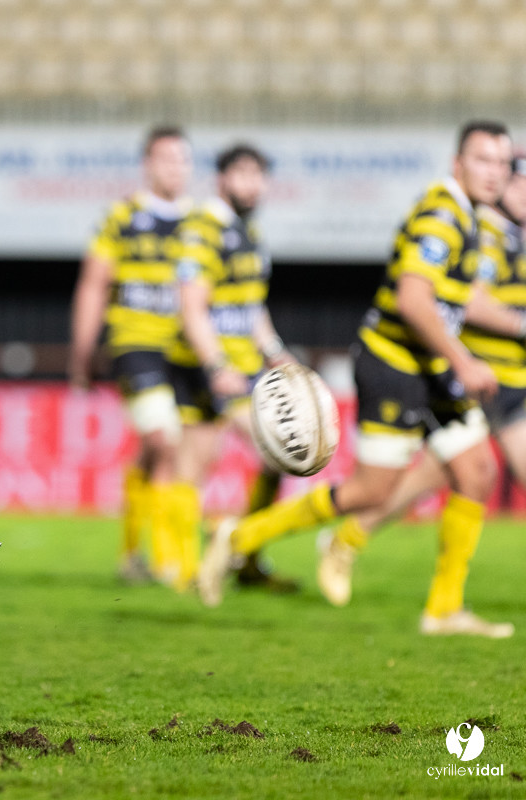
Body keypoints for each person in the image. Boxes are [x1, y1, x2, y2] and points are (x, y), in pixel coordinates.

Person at [199, 122, 516, 638]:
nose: (494, 172)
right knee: (371, 491)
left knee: (476, 469)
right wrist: (461, 360)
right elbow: (413, 300)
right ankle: (240, 536)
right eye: (483, 160)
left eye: (502, 163)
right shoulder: (443, 215)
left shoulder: (470, 217)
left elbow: (456, 299)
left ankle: (443, 609)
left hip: (427, 367)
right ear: (458, 163)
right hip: (395, 364)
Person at [317, 154, 526, 619]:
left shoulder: (512, 235)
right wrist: (517, 323)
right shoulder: (481, 231)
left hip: (511, 382)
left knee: (432, 480)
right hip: (473, 375)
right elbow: (463, 301)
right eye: (521, 184)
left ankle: (348, 541)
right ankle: (344, 539)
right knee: (407, 483)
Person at [165, 144, 294, 593]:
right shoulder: (204, 229)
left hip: (246, 364)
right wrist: (216, 364)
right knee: (264, 451)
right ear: (221, 178)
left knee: (268, 458)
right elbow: (192, 306)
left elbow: (250, 305)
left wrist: (276, 350)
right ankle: (199, 564)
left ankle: (242, 557)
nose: (251, 183)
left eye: (258, 175)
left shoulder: (249, 232)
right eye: (242, 173)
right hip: (211, 365)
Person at [68, 126, 193, 584]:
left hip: (184, 350)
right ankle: (167, 563)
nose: (174, 168)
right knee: (164, 441)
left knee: (155, 452)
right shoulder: (122, 216)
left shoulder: (201, 223)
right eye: (166, 159)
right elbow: (94, 283)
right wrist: (82, 349)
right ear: (148, 163)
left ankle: (130, 553)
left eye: (182, 160)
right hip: (135, 343)